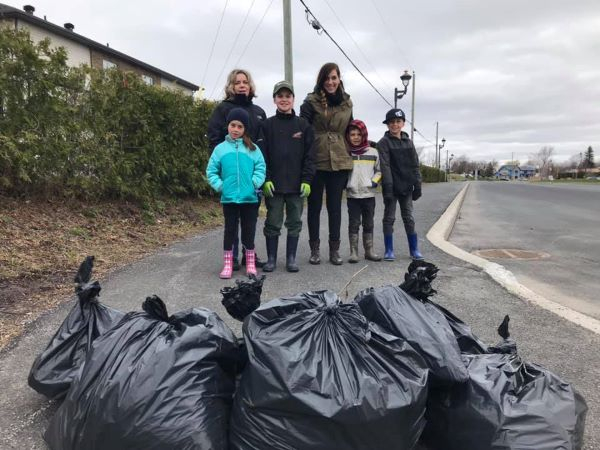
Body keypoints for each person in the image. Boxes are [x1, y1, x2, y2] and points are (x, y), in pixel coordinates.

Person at [207, 69, 266, 270]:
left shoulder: (258, 112)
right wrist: (222, 179)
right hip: (231, 180)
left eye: (245, 81)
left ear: (250, 85)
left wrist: (257, 180)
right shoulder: (222, 109)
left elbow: (262, 147)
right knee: (231, 224)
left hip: (251, 181)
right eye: (237, 82)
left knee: (250, 222)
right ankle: (230, 258)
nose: (241, 85)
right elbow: (214, 142)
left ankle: (248, 256)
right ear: (231, 86)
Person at [300, 62, 353, 265]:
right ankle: (315, 250)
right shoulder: (310, 102)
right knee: (313, 207)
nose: (330, 82)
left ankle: (334, 250)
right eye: (327, 78)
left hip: (339, 160)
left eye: (334, 77)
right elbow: (302, 130)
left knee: (335, 207)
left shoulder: (347, 103)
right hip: (316, 158)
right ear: (321, 80)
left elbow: (351, 130)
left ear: (339, 78)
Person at [260, 81, 316, 272]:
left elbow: (310, 156)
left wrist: (307, 180)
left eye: (288, 96)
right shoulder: (266, 125)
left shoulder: (303, 125)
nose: (284, 99)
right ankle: (271, 259)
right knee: (273, 222)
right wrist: (265, 179)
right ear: (275, 99)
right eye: (280, 96)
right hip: (273, 186)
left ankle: (291, 259)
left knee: (295, 222)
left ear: (293, 99)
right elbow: (262, 155)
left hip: (296, 186)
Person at [377, 108, 424, 261]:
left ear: (403, 123)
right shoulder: (383, 143)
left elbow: (415, 165)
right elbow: (385, 166)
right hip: (391, 187)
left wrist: (417, 184)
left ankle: (414, 249)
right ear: (387, 125)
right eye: (392, 122)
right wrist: (389, 188)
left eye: (398, 122)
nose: (395, 125)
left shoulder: (409, 142)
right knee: (389, 218)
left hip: (407, 186)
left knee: (408, 217)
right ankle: (389, 250)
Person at [345, 119, 382, 263]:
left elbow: (379, 171)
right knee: (353, 223)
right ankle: (353, 252)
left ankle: (369, 251)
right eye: (352, 134)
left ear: (364, 135)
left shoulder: (373, 152)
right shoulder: (347, 152)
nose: (355, 137)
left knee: (369, 223)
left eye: (358, 134)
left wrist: (373, 182)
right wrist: (346, 184)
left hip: (368, 194)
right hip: (352, 195)